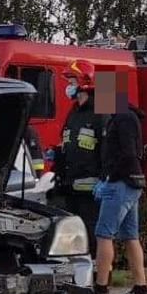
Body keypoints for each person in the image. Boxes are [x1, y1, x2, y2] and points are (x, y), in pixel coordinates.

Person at [94, 86, 147, 294]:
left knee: (103, 234)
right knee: (130, 236)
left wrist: (109, 177)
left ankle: (101, 289)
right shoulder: (124, 116)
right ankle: (140, 288)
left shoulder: (122, 118)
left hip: (121, 182)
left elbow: (127, 153)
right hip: (130, 182)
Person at [49, 60, 104, 246]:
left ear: (84, 82)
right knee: (73, 233)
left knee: (93, 232)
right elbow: (69, 141)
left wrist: (107, 179)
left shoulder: (103, 108)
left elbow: (113, 148)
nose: (68, 87)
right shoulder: (74, 111)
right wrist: (56, 155)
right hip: (70, 185)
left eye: (72, 82)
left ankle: (100, 271)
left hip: (92, 189)